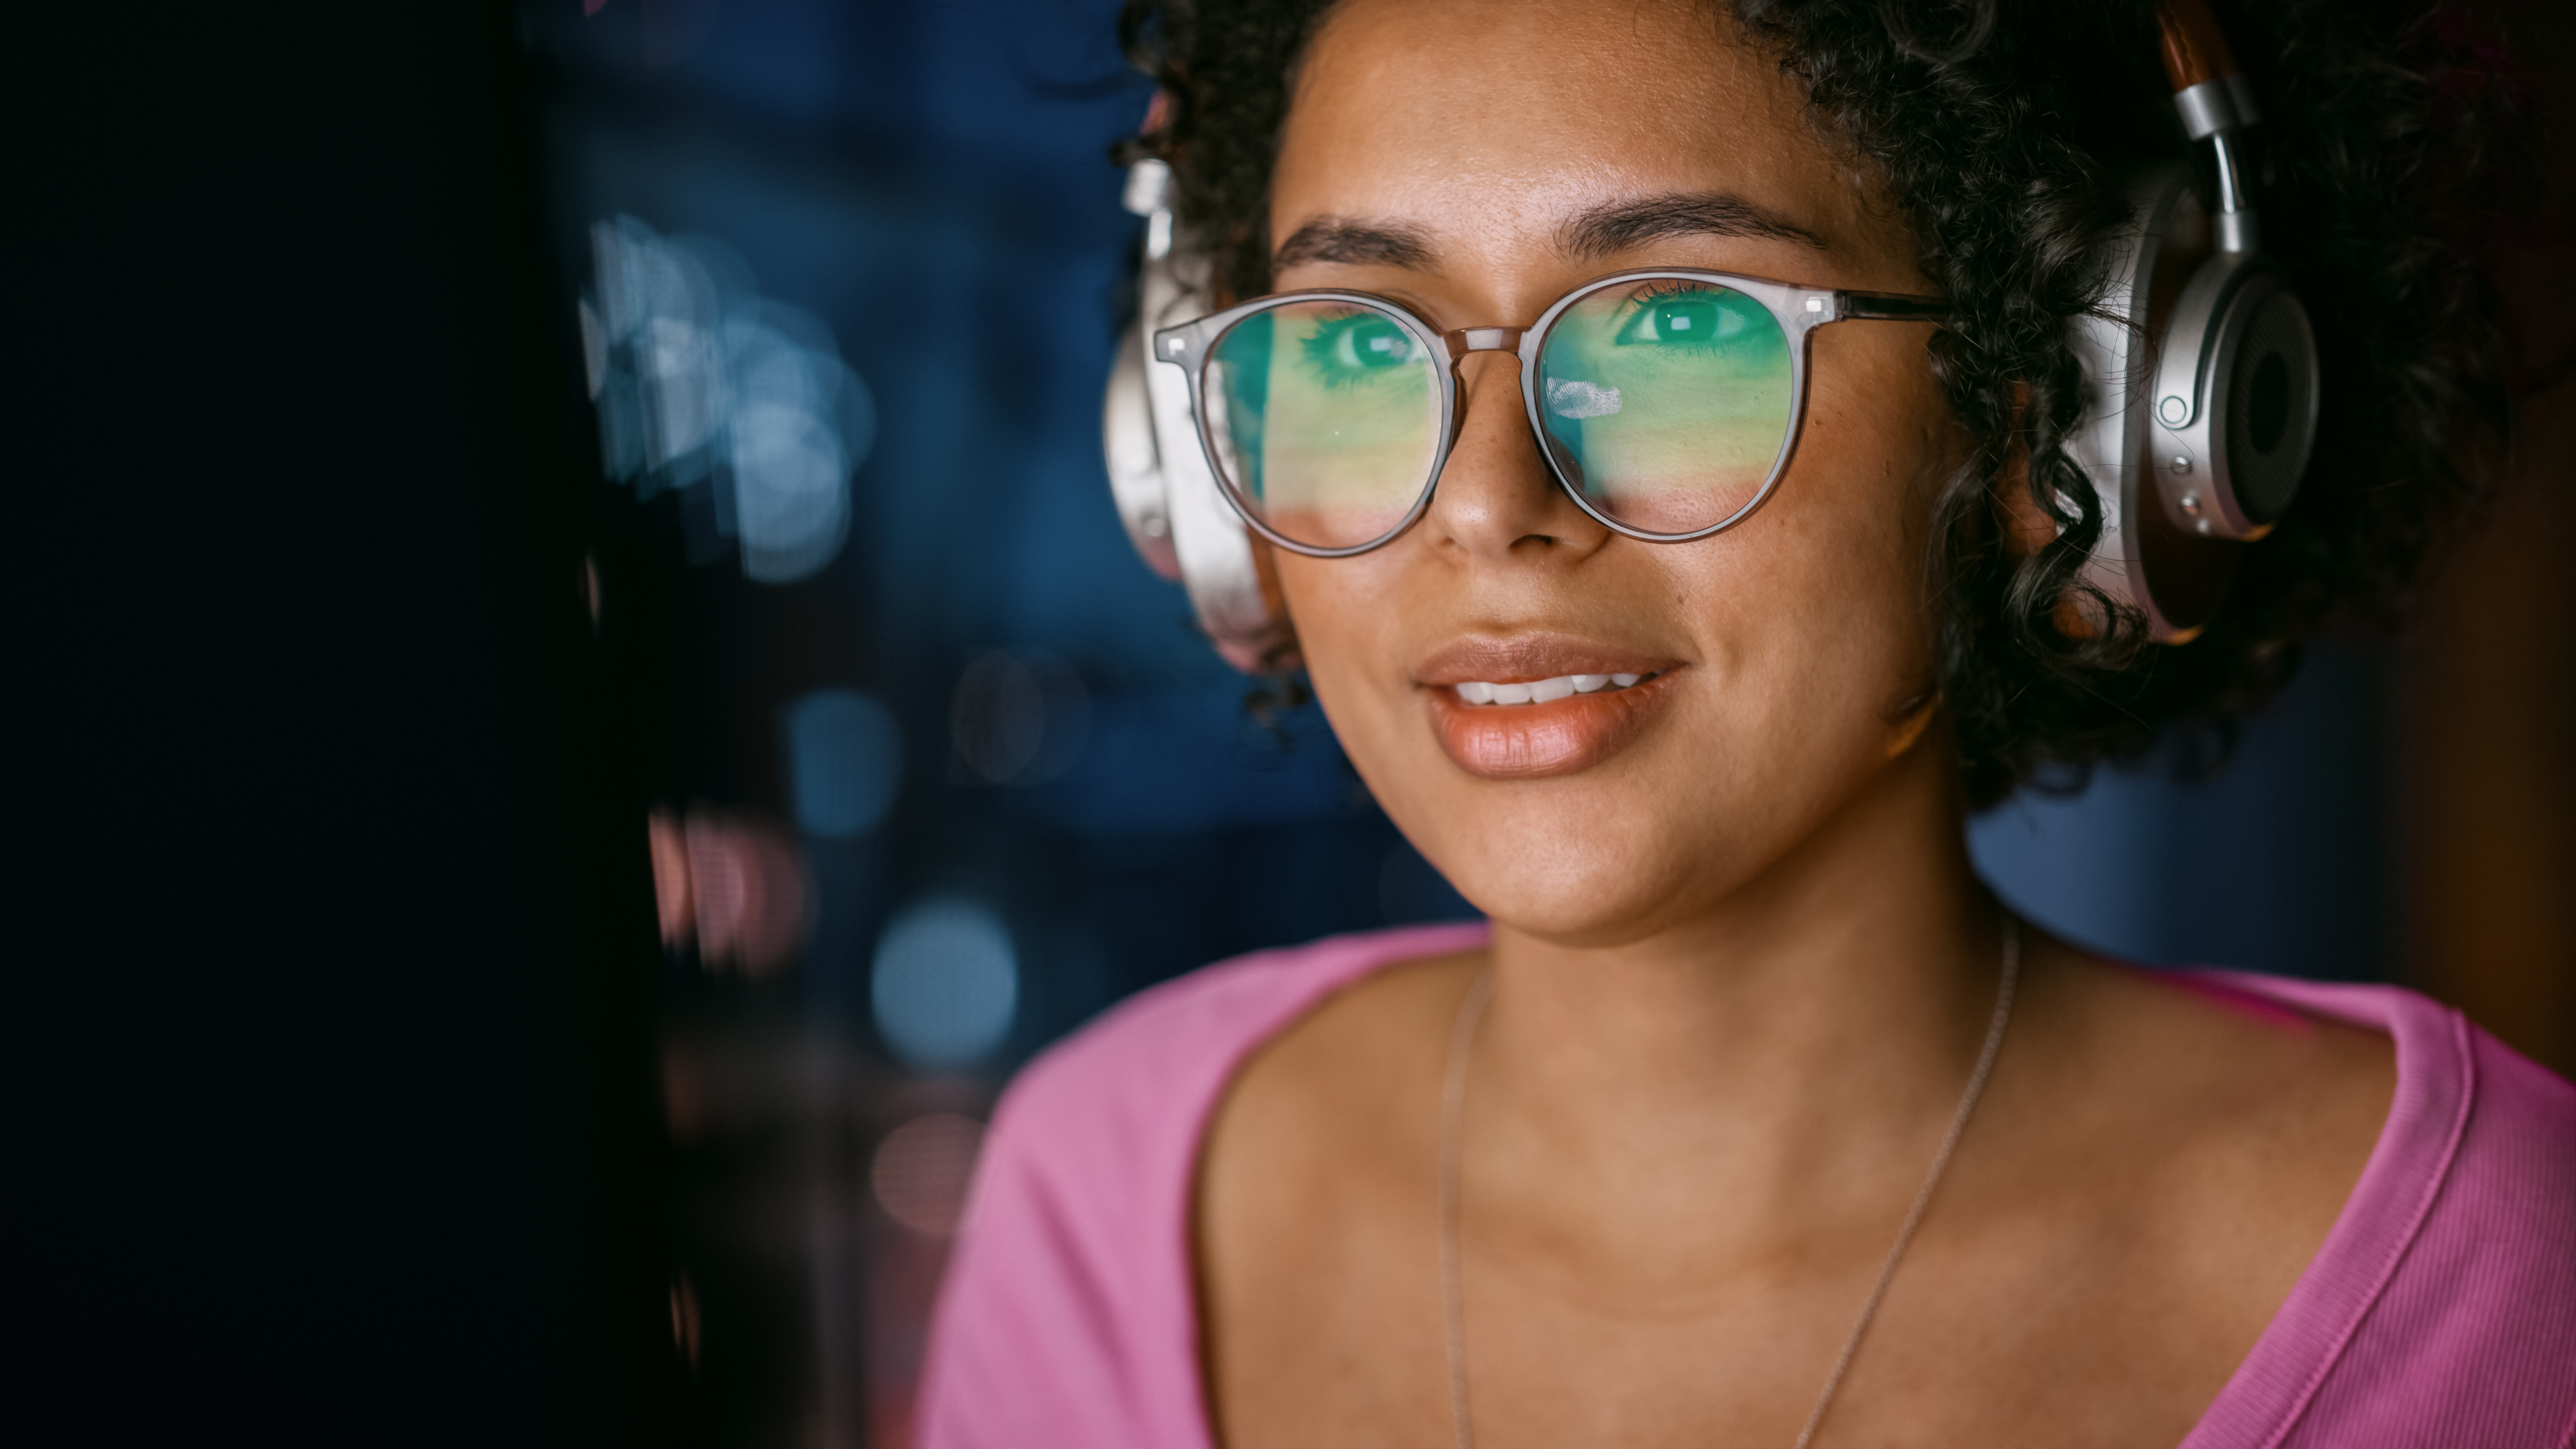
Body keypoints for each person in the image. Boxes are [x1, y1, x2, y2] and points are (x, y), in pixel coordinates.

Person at [919, 1, 2576, 1444]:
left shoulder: (2501, 1274)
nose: (1489, 504)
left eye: (1676, 328)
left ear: (2057, 411)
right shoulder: (1100, 1195)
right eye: (1358, 344)